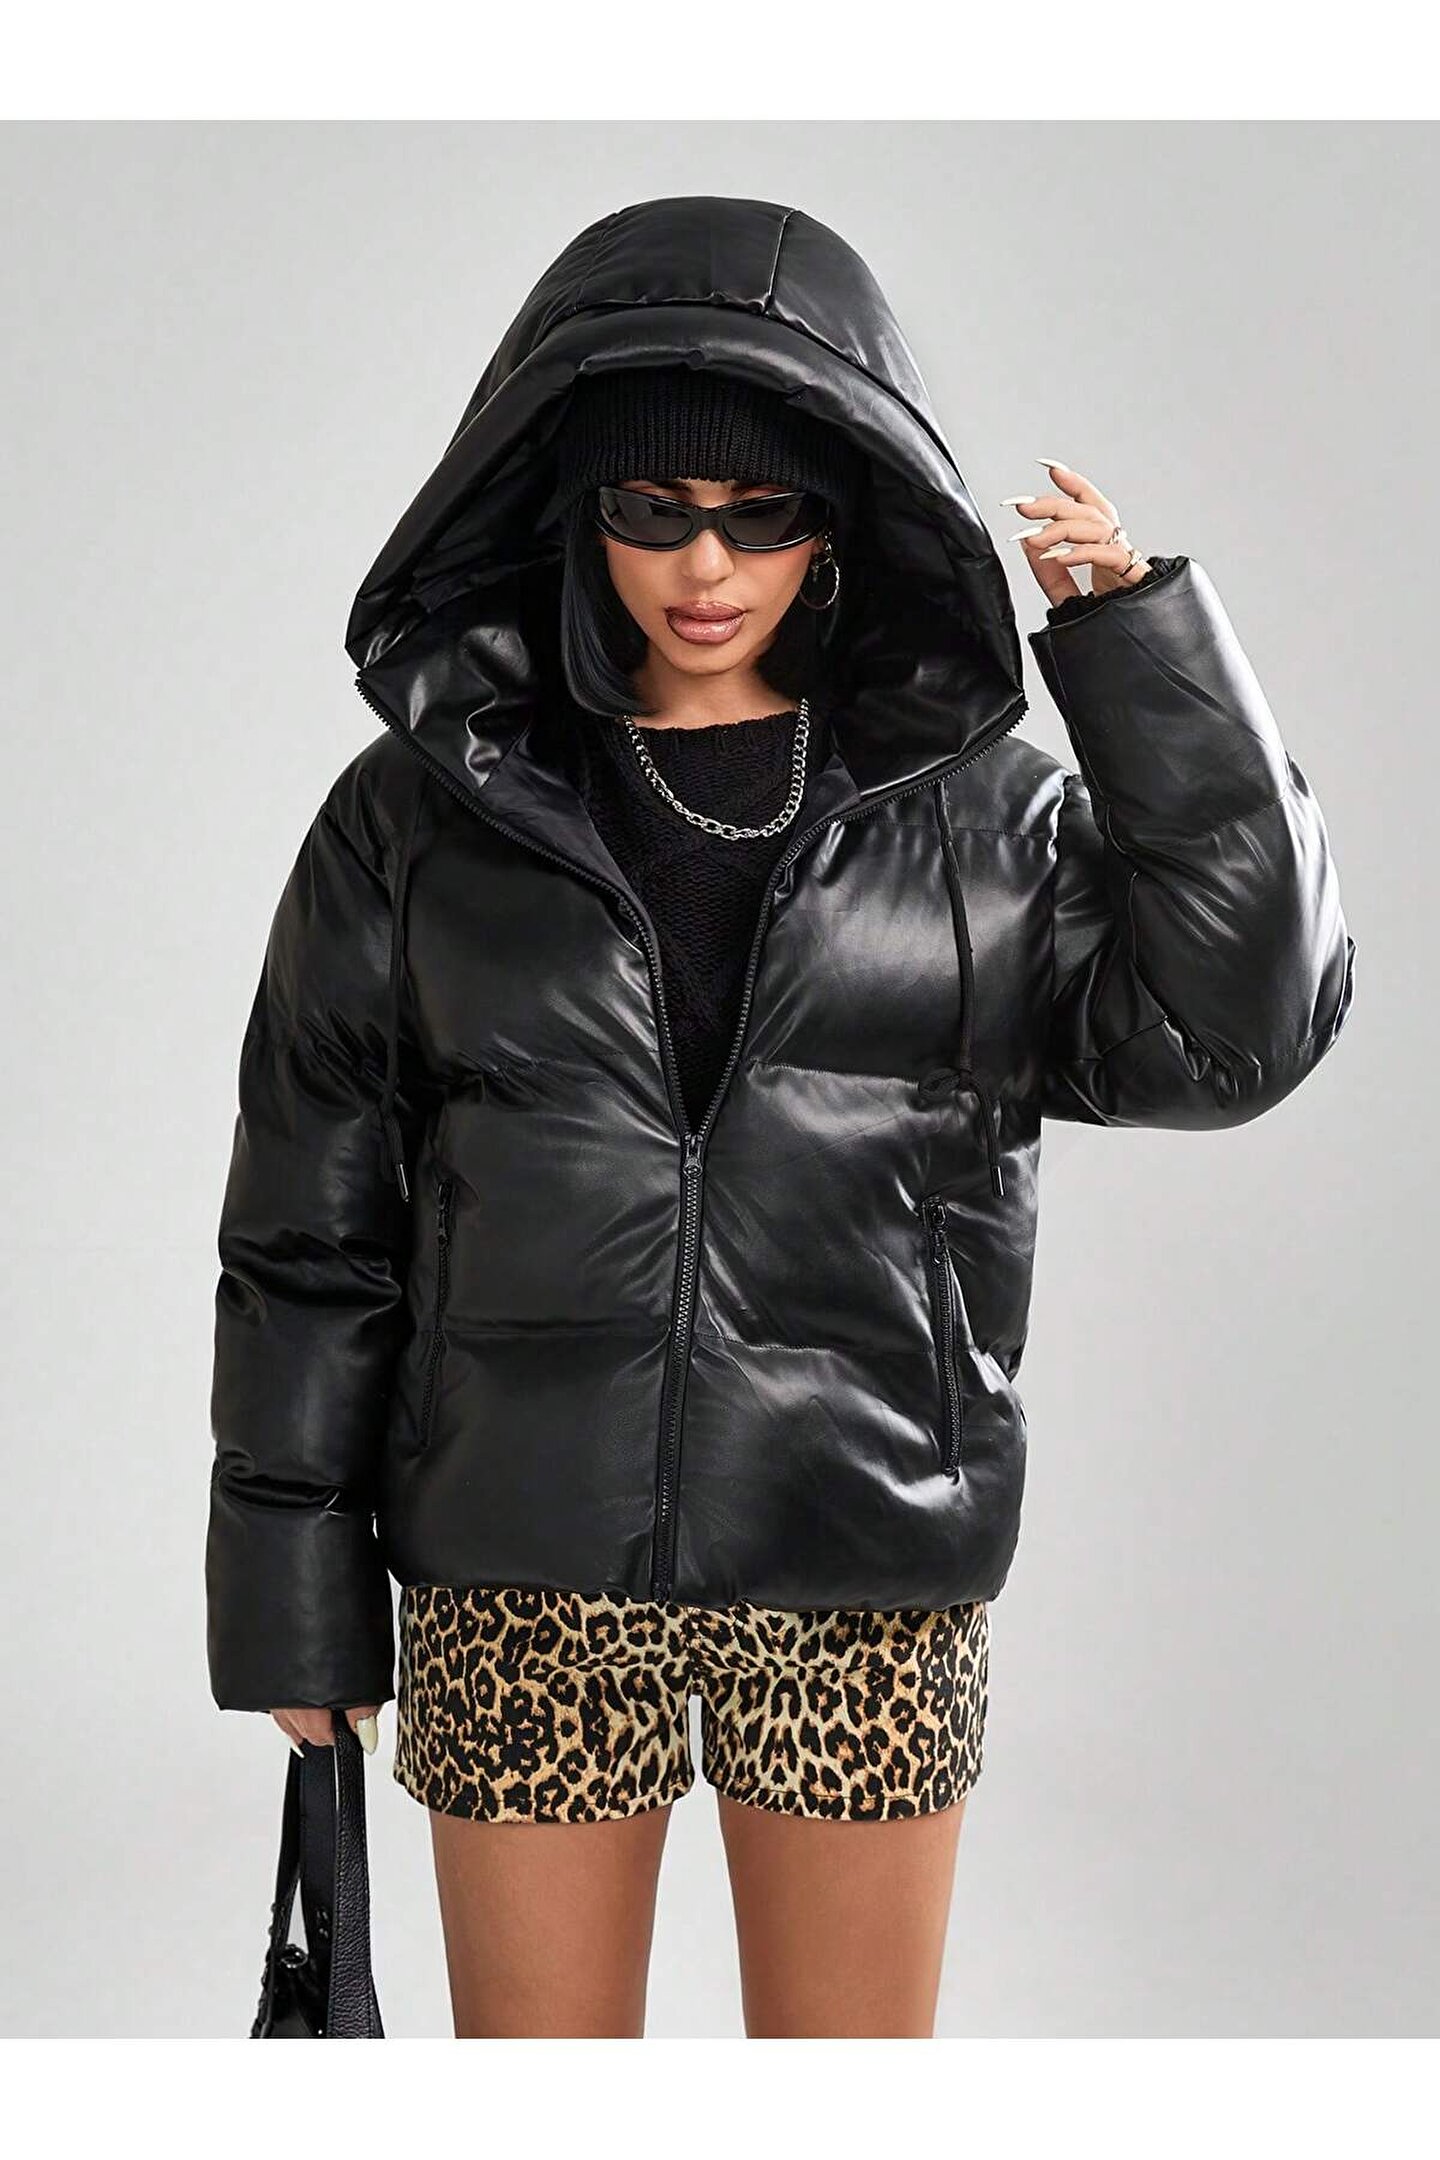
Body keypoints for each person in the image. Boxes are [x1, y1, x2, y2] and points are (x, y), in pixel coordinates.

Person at [205, 194, 1356, 2038]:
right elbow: (307, 1231)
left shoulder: (982, 821)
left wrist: (1141, 659)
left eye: (762, 513)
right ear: (573, 508)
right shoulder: (416, 818)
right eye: (652, 508)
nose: (704, 563)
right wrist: (293, 1597)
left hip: (865, 1561)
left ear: (841, 522)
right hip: (519, 1569)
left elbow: (1244, 1032)